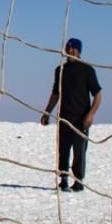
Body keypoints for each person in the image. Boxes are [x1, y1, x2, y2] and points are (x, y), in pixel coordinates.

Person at [40, 37, 102, 192]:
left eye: (74, 48)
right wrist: (47, 113)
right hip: (64, 118)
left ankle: (78, 181)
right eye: (68, 47)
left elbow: (98, 95)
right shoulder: (60, 71)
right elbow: (55, 94)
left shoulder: (87, 70)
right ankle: (63, 179)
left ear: (79, 51)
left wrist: (90, 115)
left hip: (81, 120)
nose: (71, 50)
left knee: (79, 151)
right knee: (63, 150)